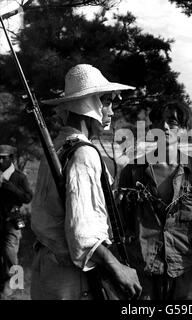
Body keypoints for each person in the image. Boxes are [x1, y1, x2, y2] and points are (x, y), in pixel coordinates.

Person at [30, 64, 142, 300]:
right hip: (72, 278)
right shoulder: (84, 153)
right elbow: (83, 233)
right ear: (91, 104)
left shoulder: (59, 146)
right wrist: (118, 268)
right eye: (107, 101)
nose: (111, 110)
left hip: (49, 271)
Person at [118, 101, 192, 300]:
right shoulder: (133, 171)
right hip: (142, 267)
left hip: (181, 263)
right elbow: (121, 220)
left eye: (172, 122)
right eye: (159, 121)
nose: (165, 127)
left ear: (184, 130)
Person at [0, 144, 33, 298]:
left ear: (11, 159)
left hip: (11, 222)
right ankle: (4, 285)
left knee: (10, 253)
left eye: (3, 158)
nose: (0, 161)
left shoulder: (19, 177)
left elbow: (28, 197)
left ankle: (17, 286)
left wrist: (9, 187)